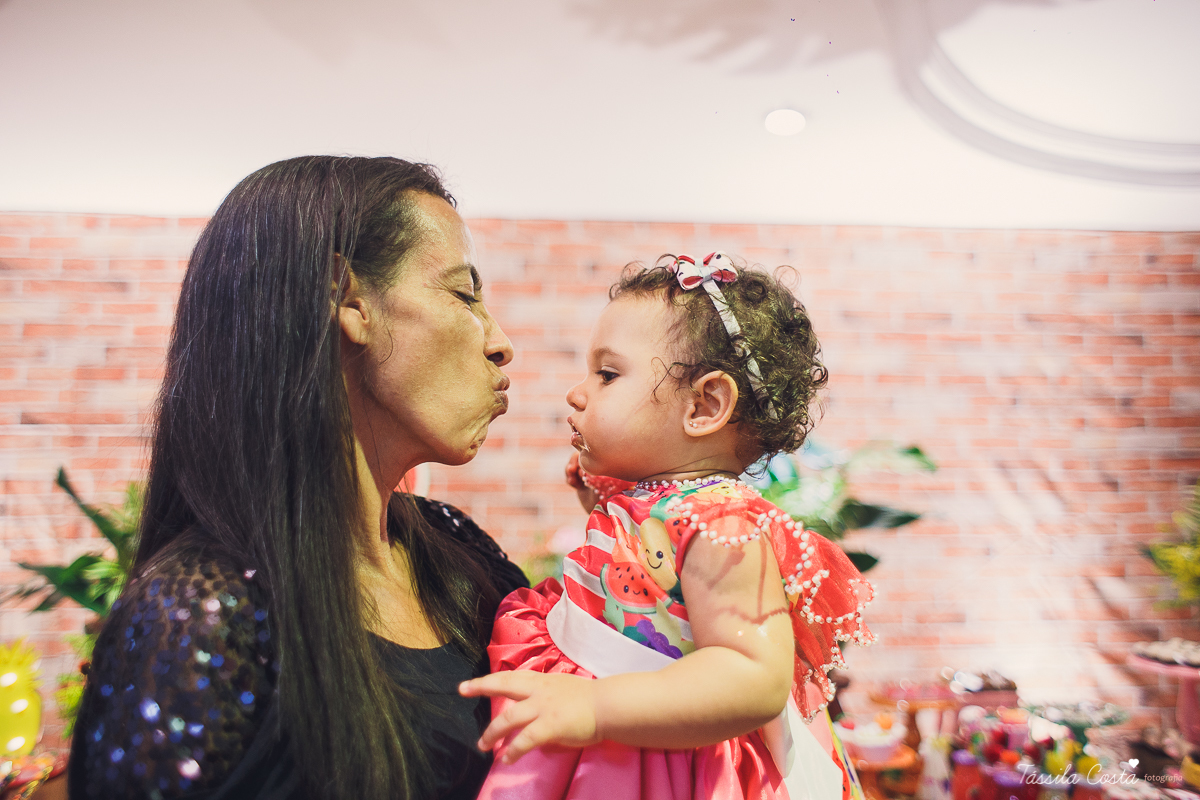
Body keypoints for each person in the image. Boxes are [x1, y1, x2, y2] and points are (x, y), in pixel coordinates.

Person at [66, 156, 529, 800]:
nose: (500, 342)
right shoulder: (202, 613)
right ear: (347, 298)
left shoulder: (458, 551)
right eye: (463, 294)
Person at [461, 253, 875, 800]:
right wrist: (599, 504)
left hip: (662, 762)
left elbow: (753, 676)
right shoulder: (657, 501)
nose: (577, 393)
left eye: (607, 375)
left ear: (704, 406)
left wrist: (597, 706)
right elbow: (653, 586)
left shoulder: (725, 526)